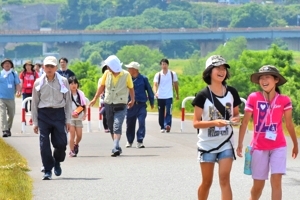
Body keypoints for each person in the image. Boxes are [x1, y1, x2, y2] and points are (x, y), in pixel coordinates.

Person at [236, 65, 298, 200]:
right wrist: (240, 143)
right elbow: (245, 122)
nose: (264, 80)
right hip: (259, 147)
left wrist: (295, 144)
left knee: (276, 182)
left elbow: (289, 124)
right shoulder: (253, 97)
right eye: (261, 78)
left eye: (267, 77)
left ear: (276, 80)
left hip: (278, 146)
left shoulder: (284, 100)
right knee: (258, 186)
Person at [192, 55, 241, 200]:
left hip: (226, 142)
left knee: (225, 179)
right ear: (209, 71)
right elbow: (195, 122)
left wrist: (235, 120)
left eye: (224, 68)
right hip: (207, 144)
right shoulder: (202, 95)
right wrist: (214, 123)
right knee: (207, 182)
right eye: (218, 68)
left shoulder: (232, 92)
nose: (222, 71)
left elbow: (236, 115)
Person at [31, 56, 72, 180]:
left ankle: (57, 161)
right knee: (44, 144)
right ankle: (47, 170)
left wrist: (68, 120)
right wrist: (35, 122)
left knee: (61, 143)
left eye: (52, 66)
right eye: (47, 66)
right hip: (44, 114)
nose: (49, 69)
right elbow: (34, 103)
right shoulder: (38, 82)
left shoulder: (63, 81)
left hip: (59, 114)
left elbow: (68, 101)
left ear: (56, 68)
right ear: (43, 67)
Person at [89, 55, 135, 157]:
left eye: (109, 66)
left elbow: (131, 88)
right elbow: (102, 87)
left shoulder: (126, 75)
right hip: (109, 103)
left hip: (121, 104)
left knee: (117, 125)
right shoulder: (107, 73)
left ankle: (115, 147)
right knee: (111, 126)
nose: (107, 68)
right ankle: (117, 146)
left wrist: (132, 99)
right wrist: (95, 98)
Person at [124, 61, 154, 148]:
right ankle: (129, 141)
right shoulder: (127, 79)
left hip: (141, 105)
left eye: (129, 68)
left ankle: (140, 140)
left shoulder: (144, 79)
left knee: (141, 122)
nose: (128, 69)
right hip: (130, 105)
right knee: (130, 124)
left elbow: (149, 90)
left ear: (134, 70)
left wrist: (152, 102)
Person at [153, 58, 179, 133]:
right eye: (162, 64)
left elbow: (176, 84)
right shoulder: (158, 74)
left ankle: (168, 125)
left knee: (169, 111)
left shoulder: (172, 74)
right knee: (161, 112)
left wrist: (177, 94)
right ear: (161, 65)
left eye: (165, 64)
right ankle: (162, 126)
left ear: (168, 65)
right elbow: (155, 84)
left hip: (169, 96)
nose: (164, 66)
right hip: (160, 96)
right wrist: (155, 92)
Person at [0, 58, 21, 137]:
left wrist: (18, 91)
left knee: (11, 114)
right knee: (3, 114)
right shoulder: (0, 73)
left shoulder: (13, 74)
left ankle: (8, 128)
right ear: (2, 65)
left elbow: (17, 84)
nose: (7, 64)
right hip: (1, 97)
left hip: (11, 98)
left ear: (11, 65)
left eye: (9, 63)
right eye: (5, 63)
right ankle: (4, 130)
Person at [68, 76, 87, 157]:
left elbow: (84, 105)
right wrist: (70, 114)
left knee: (79, 136)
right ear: (68, 85)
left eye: (75, 83)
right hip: (70, 118)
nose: (73, 85)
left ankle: (76, 144)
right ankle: (71, 151)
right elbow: (64, 106)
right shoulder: (66, 94)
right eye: (71, 83)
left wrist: (84, 114)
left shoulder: (81, 93)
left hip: (79, 118)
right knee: (72, 134)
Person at [20, 60, 39, 126]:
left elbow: (37, 82)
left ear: (31, 66)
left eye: (29, 65)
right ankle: (23, 119)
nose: (28, 67)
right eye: (26, 65)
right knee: (24, 106)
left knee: (32, 106)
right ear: (25, 66)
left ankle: (32, 119)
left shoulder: (34, 73)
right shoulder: (23, 73)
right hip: (25, 91)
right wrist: (19, 90)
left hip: (33, 91)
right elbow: (21, 82)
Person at [97, 63, 109, 133]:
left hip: (111, 98)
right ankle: (106, 127)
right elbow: (99, 88)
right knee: (105, 113)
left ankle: (111, 126)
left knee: (111, 113)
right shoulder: (101, 79)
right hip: (104, 99)